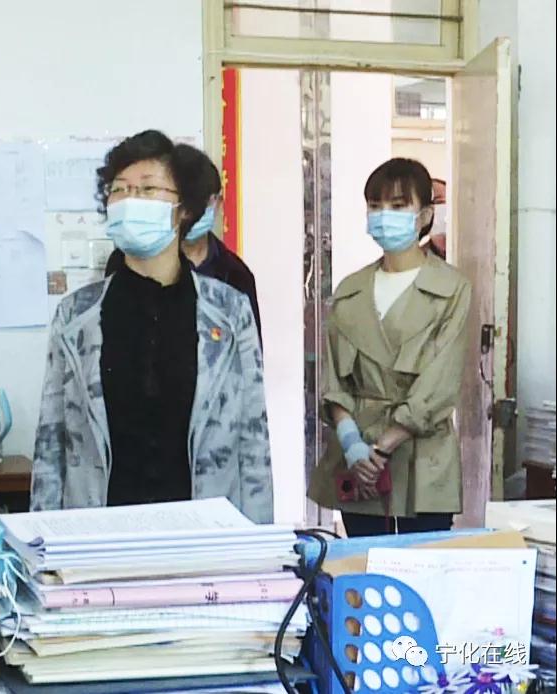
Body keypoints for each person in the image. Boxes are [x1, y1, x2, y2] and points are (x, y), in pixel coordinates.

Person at [30, 130, 272, 522]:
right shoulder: (75, 316)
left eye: (147, 189)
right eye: (119, 189)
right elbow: (50, 444)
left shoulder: (229, 312)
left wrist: (257, 542)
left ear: (183, 209)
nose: (130, 200)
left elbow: (253, 440)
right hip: (98, 533)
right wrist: (43, 540)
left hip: (203, 532)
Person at [308, 158, 471, 537]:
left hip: (422, 458)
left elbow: (439, 383)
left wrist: (382, 449)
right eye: (375, 206)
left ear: (425, 214)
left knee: (423, 565)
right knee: (363, 565)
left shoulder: (451, 289)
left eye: (398, 206)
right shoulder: (350, 291)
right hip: (359, 459)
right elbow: (334, 381)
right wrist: (353, 446)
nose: (384, 216)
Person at [104, 145, 262, 348]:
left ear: (216, 203)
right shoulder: (126, 261)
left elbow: (249, 351)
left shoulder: (235, 274)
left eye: (200, 202)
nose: (193, 212)